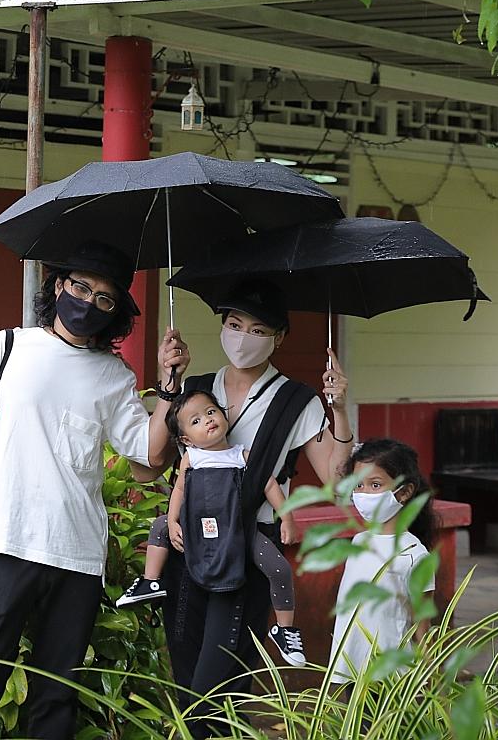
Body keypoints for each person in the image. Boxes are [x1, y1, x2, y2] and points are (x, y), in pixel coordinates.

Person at [0, 239, 184, 740]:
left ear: (115, 313)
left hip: (77, 555)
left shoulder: (115, 377)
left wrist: (169, 388)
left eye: (104, 298)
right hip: (6, 542)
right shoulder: (6, 347)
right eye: (80, 287)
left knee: (57, 693)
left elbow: (148, 463)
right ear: (57, 285)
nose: (88, 302)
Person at [149, 279, 351, 738]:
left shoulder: (297, 401)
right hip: (189, 552)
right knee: (186, 673)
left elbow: (339, 481)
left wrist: (338, 408)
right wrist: (168, 383)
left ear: (279, 337)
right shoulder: (196, 389)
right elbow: (151, 463)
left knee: (219, 686)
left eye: (258, 329)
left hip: (245, 554)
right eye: (235, 324)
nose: (243, 337)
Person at [147, 389, 308, 666]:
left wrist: (287, 518)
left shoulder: (241, 456)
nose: (207, 420)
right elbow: (179, 490)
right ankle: (149, 581)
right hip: (199, 532)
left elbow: (270, 484)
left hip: (239, 531)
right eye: (195, 421)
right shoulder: (191, 458)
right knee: (160, 527)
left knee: (279, 568)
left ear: (223, 416)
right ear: (186, 439)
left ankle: (284, 629)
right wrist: (173, 520)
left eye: (210, 412)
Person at [331, 438, 437, 684]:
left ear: (405, 492)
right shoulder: (359, 541)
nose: (364, 493)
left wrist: (432, 683)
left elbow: (422, 627)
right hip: (350, 669)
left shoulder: (414, 554)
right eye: (358, 485)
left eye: (375, 484)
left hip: (391, 677)